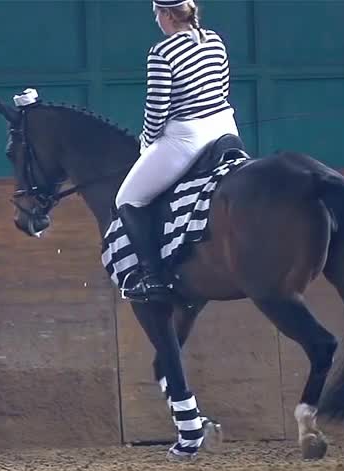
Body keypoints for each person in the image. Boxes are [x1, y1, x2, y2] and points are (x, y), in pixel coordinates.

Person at [115, 0, 240, 303]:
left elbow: (157, 110)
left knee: (128, 198)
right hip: (226, 129)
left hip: (188, 138)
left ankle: (152, 277)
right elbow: (220, 89)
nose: (157, 19)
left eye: (157, 13)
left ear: (168, 14)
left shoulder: (162, 52)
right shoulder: (214, 40)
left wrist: (146, 142)